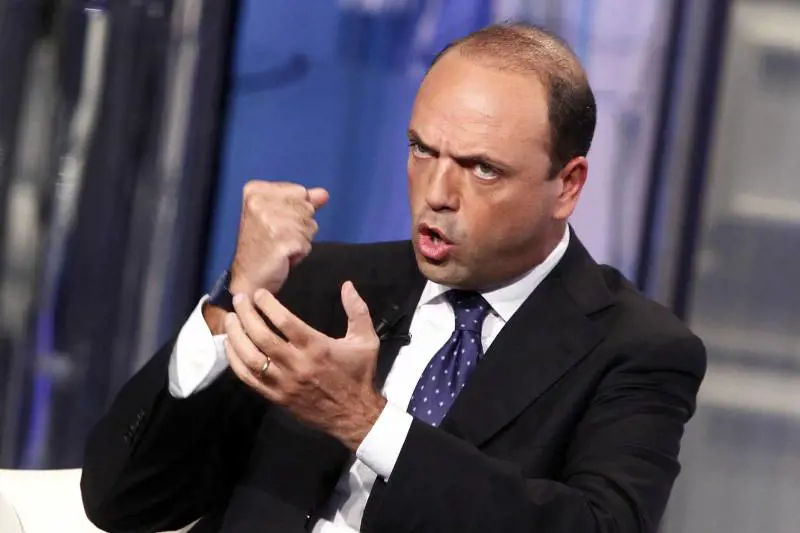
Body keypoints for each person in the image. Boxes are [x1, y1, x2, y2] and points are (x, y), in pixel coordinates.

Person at [80, 23, 706, 533]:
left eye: (482, 169)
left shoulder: (635, 349)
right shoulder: (325, 285)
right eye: (422, 150)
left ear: (567, 185)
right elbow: (122, 500)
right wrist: (233, 299)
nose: (437, 194)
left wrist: (366, 421)